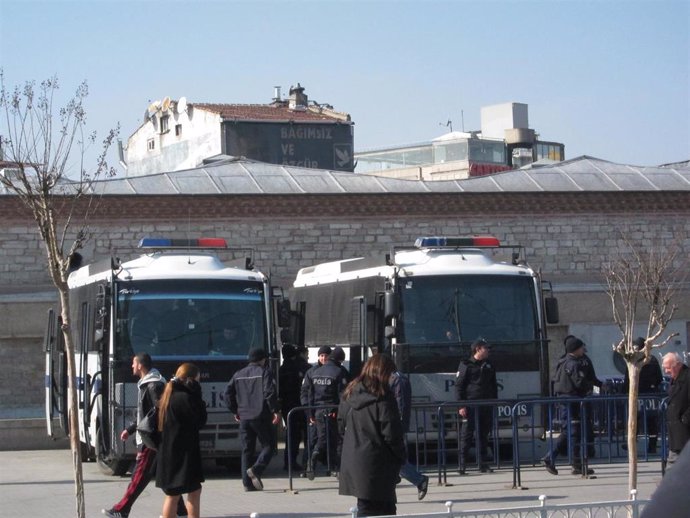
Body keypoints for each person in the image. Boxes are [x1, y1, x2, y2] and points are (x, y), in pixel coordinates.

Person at [102, 353, 187, 518]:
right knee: (164, 476)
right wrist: (131, 429)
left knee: (139, 476)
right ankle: (181, 511)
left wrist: (151, 436)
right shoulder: (147, 383)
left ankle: (122, 509)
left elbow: (158, 414)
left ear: (140, 365)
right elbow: (146, 414)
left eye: (133, 363)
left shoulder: (153, 385)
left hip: (152, 439)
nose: (132, 367)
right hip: (152, 438)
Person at [338, 354, 406, 517]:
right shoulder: (383, 398)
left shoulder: (351, 392)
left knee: (365, 506)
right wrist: (401, 457)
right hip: (379, 462)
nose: (391, 379)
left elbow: (340, 425)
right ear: (382, 374)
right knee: (384, 509)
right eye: (390, 374)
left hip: (354, 460)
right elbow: (392, 434)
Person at [156, 363, 207, 518]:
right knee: (190, 491)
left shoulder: (168, 394)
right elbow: (200, 420)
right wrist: (197, 394)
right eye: (198, 380)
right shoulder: (184, 398)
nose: (199, 383)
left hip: (169, 452)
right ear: (191, 380)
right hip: (183, 454)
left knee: (174, 493)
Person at [226, 347, 280, 491]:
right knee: (269, 445)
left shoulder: (238, 374)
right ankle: (256, 469)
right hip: (260, 415)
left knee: (246, 450)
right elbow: (269, 392)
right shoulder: (265, 372)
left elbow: (227, 394)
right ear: (262, 359)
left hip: (244, 416)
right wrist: (275, 410)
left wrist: (235, 410)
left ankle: (247, 484)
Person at [541, 336, 597, 476]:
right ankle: (550, 457)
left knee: (575, 433)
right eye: (580, 347)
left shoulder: (567, 361)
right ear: (575, 349)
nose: (583, 349)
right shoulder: (572, 363)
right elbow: (579, 383)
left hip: (571, 401)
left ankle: (577, 465)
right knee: (570, 432)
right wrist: (591, 387)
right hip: (571, 402)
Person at [301, 345, 348, 479]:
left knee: (322, 438)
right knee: (334, 439)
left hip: (317, 411)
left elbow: (309, 394)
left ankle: (326, 464)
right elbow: (342, 395)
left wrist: (310, 413)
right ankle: (333, 466)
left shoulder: (315, 372)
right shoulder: (339, 372)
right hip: (333, 410)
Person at [455, 337, 498, 474]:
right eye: (486, 348)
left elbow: (493, 385)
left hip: (486, 404)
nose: (488, 351)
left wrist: (494, 402)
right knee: (466, 435)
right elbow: (459, 387)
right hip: (470, 405)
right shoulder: (466, 365)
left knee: (483, 435)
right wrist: (461, 406)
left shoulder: (489, 365)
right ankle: (462, 465)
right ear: (478, 349)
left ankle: (482, 464)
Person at [389, 369, 429, 500]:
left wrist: (398, 424)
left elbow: (400, 404)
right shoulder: (394, 378)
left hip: (394, 425)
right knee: (392, 459)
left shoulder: (397, 379)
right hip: (391, 424)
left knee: (394, 458)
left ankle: (418, 479)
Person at [622, 338, 663, 453]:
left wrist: (624, 391)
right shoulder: (652, 359)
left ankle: (632, 444)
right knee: (652, 422)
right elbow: (659, 378)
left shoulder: (632, 360)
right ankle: (652, 446)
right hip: (651, 395)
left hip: (636, 395)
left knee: (634, 420)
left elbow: (627, 379)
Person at [279, 344, 311, 471]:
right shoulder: (305, 368)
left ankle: (289, 462)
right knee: (308, 435)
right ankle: (307, 462)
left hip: (288, 407)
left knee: (292, 435)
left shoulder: (281, 369)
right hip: (303, 406)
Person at [661, 352, 690, 468]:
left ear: (677, 365)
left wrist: (685, 419)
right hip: (677, 434)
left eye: (668, 368)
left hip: (684, 431)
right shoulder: (676, 379)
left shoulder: (687, 378)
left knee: (673, 470)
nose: (666, 371)